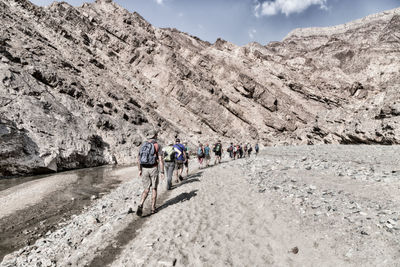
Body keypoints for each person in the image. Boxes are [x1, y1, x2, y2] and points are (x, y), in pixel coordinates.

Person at [137, 129, 164, 216]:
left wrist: (140, 170)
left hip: (144, 168)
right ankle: (153, 208)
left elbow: (138, 159)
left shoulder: (143, 145)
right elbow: (160, 160)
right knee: (154, 189)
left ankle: (141, 203)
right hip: (153, 168)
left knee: (146, 189)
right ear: (155, 136)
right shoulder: (157, 145)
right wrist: (162, 171)